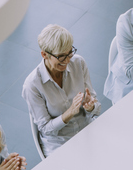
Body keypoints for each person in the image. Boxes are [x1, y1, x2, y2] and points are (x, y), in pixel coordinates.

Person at [22, 24, 100, 157]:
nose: (68, 60)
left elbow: (96, 109)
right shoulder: (32, 85)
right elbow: (46, 129)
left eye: (70, 53)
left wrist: (90, 107)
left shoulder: (78, 63)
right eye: (61, 56)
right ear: (44, 54)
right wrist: (69, 113)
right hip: (59, 144)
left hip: (87, 131)